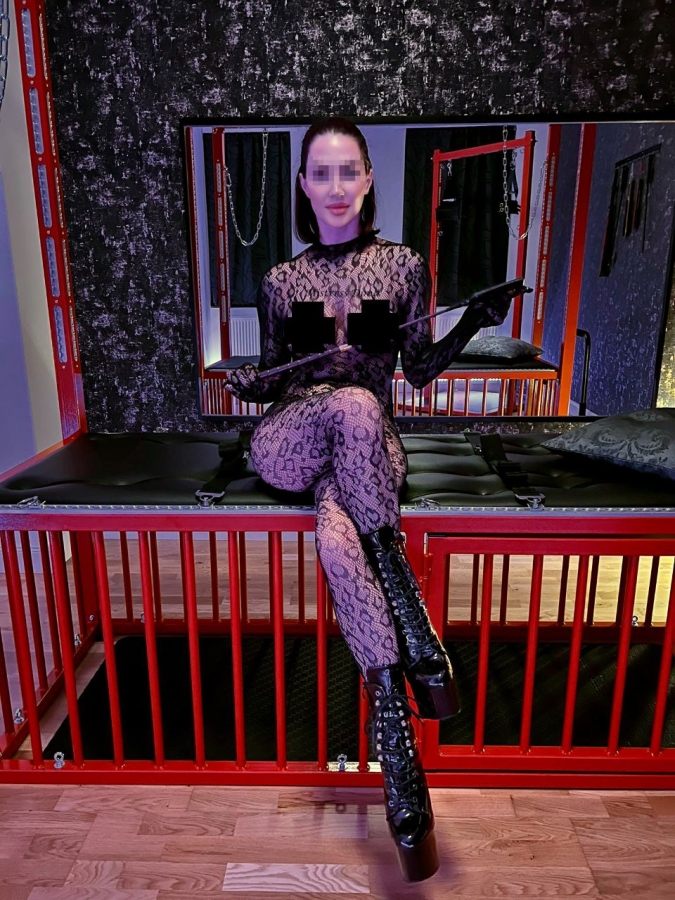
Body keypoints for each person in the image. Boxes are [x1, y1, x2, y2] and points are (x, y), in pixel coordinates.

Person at [224, 117, 511, 882]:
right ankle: (411, 619)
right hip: (293, 438)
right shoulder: (281, 281)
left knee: (335, 530)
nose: (335, 186)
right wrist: (252, 384)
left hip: (364, 451)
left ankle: (396, 744)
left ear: (368, 178)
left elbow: (415, 372)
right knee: (348, 401)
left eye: (347, 170)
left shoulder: (403, 266)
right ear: (303, 184)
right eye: (320, 173)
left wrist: (470, 322)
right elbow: (279, 378)